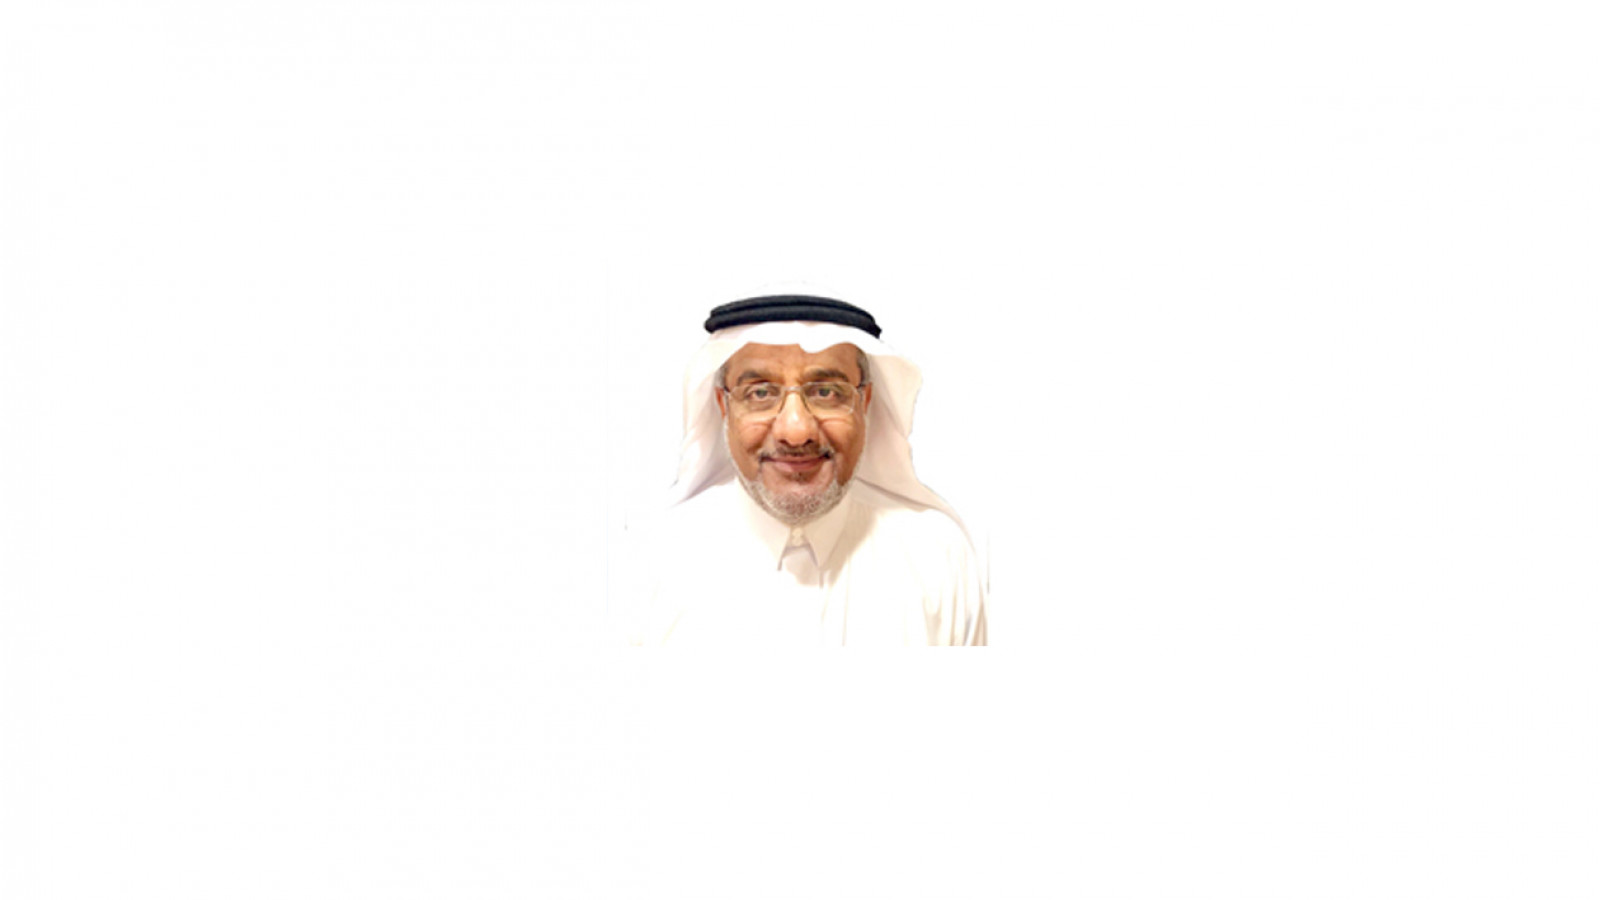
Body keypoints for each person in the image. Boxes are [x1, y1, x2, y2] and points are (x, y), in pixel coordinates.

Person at [617, 293, 987, 647]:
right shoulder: (646, 565)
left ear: (865, 403)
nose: (796, 431)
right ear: (724, 406)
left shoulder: (939, 560)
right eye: (760, 393)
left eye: (826, 392)